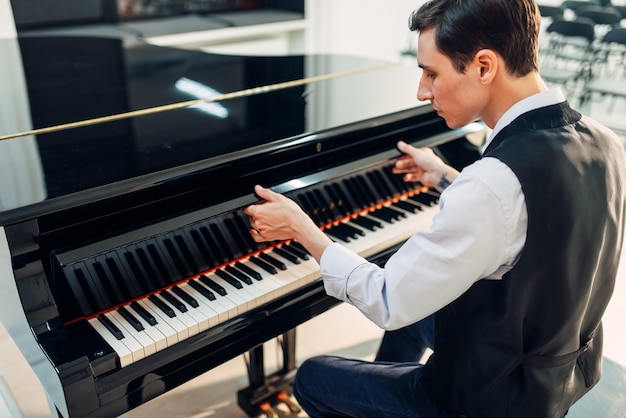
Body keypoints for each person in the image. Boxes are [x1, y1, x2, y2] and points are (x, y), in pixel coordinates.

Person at [244, 0, 626, 416]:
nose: (422, 91)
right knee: (419, 304)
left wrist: (303, 229)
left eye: (431, 72)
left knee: (314, 376)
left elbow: (387, 299)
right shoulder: (604, 141)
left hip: (484, 401)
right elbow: (535, 217)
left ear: (484, 66)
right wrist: (444, 175)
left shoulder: (493, 184)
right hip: (558, 367)